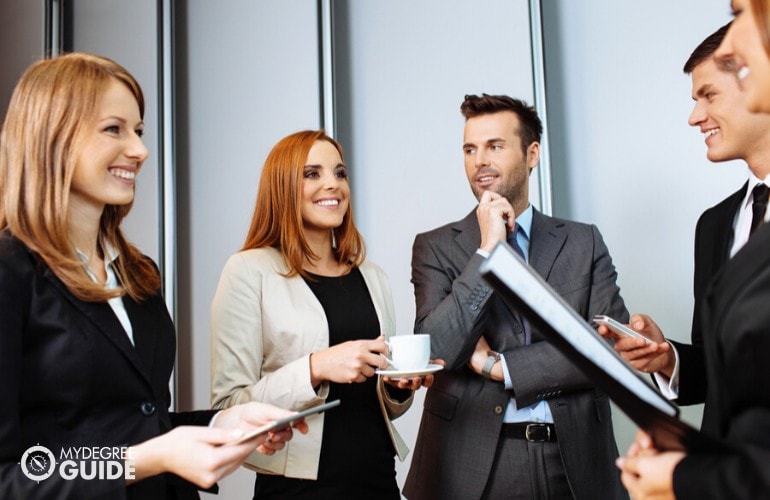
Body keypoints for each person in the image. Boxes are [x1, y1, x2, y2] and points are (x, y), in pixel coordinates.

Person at [0, 53, 306, 500]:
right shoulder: (11, 272)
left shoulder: (140, 275)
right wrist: (146, 460)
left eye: (139, 132)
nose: (140, 150)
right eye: (114, 129)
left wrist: (221, 425)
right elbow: (13, 472)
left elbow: (142, 423)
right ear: (53, 137)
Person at [403, 94, 629, 500]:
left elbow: (608, 351)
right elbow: (436, 348)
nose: (479, 161)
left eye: (495, 146)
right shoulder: (435, 247)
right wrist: (488, 251)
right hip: (470, 466)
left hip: (576, 462)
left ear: (532, 154)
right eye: (470, 149)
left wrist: (498, 366)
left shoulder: (583, 242)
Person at [210, 129, 433, 499]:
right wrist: (315, 368)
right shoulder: (248, 271)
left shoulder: (371, 275)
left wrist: (396, 387)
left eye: (339, 173)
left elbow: (381, 405)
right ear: (282, 187)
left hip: (377, 479)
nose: (333, 185)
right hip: (295, 490)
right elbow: (230, 407)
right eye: (312, 174)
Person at [615, 8, 770, 498]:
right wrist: (667, 360)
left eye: (709, 95)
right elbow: (723, 375)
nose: (694, 116)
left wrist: (682, 478)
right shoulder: (714, 226)